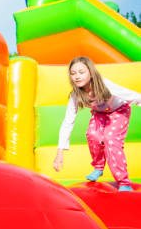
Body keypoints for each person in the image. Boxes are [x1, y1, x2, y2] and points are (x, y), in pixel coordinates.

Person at [53, 56, 141, 191]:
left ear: (91, 72)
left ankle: (124, 182)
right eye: (73, 73)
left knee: (110, 139)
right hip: (100, 114)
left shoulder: (104, 85)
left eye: (81, 72)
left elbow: (131, 95)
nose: (77, 76)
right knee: (92, 134)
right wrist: (59, 152)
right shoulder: (76, 95)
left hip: (119, 110)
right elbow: (68, 121)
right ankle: (98, 167)